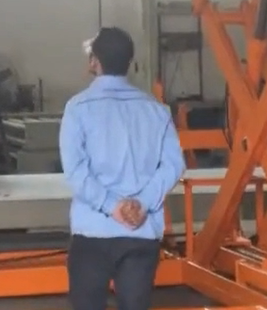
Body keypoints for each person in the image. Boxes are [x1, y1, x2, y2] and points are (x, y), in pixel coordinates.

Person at [59, 27, 186, 310]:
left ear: (94, 61)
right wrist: (141, 204)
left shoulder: (78, 108)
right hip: (140, 233)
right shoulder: (156, 110)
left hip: (93, 232)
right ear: (130, 63)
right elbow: (174, 164)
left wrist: (112, 206)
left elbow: (76, 171)